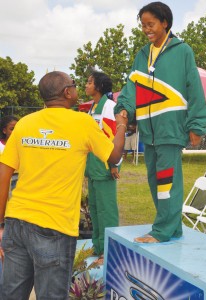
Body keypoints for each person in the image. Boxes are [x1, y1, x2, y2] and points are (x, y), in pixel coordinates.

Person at [0, 71, 127, 300]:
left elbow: (4, 173)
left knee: (11, 294)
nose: (77, 88)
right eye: (75, 85)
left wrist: (0, 224)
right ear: (67, 92)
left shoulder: (24, 124)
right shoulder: (82, 122)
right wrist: (120, 126)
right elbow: (114, 155)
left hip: (16, 223)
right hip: (55, 228)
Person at [114, 2, 206, 243]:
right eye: (143, 25)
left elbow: (194, 89)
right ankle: (172, 227)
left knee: (167, 180)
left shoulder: (182, 51)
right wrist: (124, 106)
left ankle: (162, 231)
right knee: (155, 180)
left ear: (165, 22)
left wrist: (196, 125)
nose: (146, 29)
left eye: (151, 24)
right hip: (149, 130)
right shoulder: (142, 55)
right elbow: (132, 85)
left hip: (170, 128)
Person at [85, 71, 120, 264]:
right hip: (93, 168)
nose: (86, 85)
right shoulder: (93, 107)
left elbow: (114, 139)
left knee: (107, 211)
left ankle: (108, 250)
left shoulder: (109, 107)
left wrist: (114, 164)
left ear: (98, 86)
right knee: (95, 209)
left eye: (89, 82)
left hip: (105, 167)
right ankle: (98, 246)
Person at [0, 115, 19, 192]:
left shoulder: (22, 146)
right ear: (4, 130)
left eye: (17, 129)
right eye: (12, 129)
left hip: (16, 184)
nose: (15, 132)